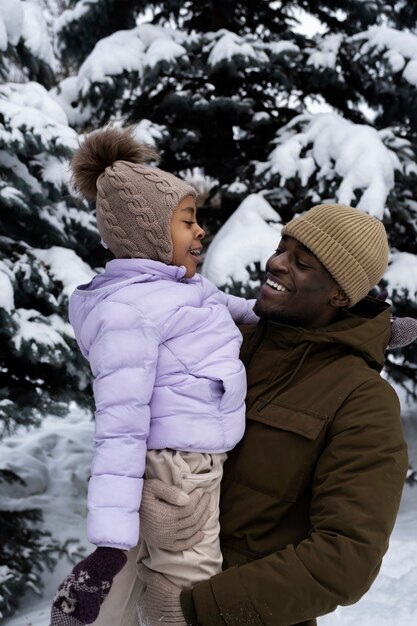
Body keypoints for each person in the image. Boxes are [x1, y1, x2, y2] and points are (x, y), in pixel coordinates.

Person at [137, 203, 410, 626]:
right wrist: (143, 496)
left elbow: (346, 557)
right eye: (282, 247)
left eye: (301, 262)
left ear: (340, 294)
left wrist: (202, 608)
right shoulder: (222, 341)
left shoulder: (363, 400)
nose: (276, 263)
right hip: (149, 585)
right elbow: (132, 423)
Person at [49, 126, 259, 626]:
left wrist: (355, 321)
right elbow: (119, 428)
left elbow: (252, 310)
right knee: (189, 584)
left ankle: (94, 614)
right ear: (148, 234)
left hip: (174, 460)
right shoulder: (132, 310)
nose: (200, 232)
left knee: (132, 578)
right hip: (183, 468)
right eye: (188, 221)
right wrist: (105, 546)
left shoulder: (183, 288)